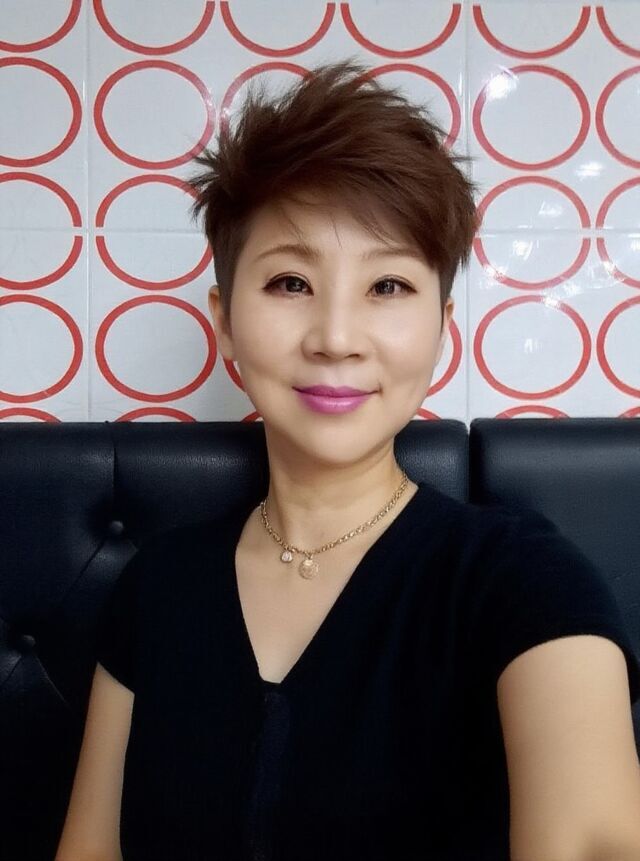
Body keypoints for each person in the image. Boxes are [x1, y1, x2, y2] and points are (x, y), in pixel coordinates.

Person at [55, 58, 640, 861]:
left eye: (388, 286)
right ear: (225, 322)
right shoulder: (156, 585)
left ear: (442, 326)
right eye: (291, 282)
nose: (335, 337)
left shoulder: (522, 580)